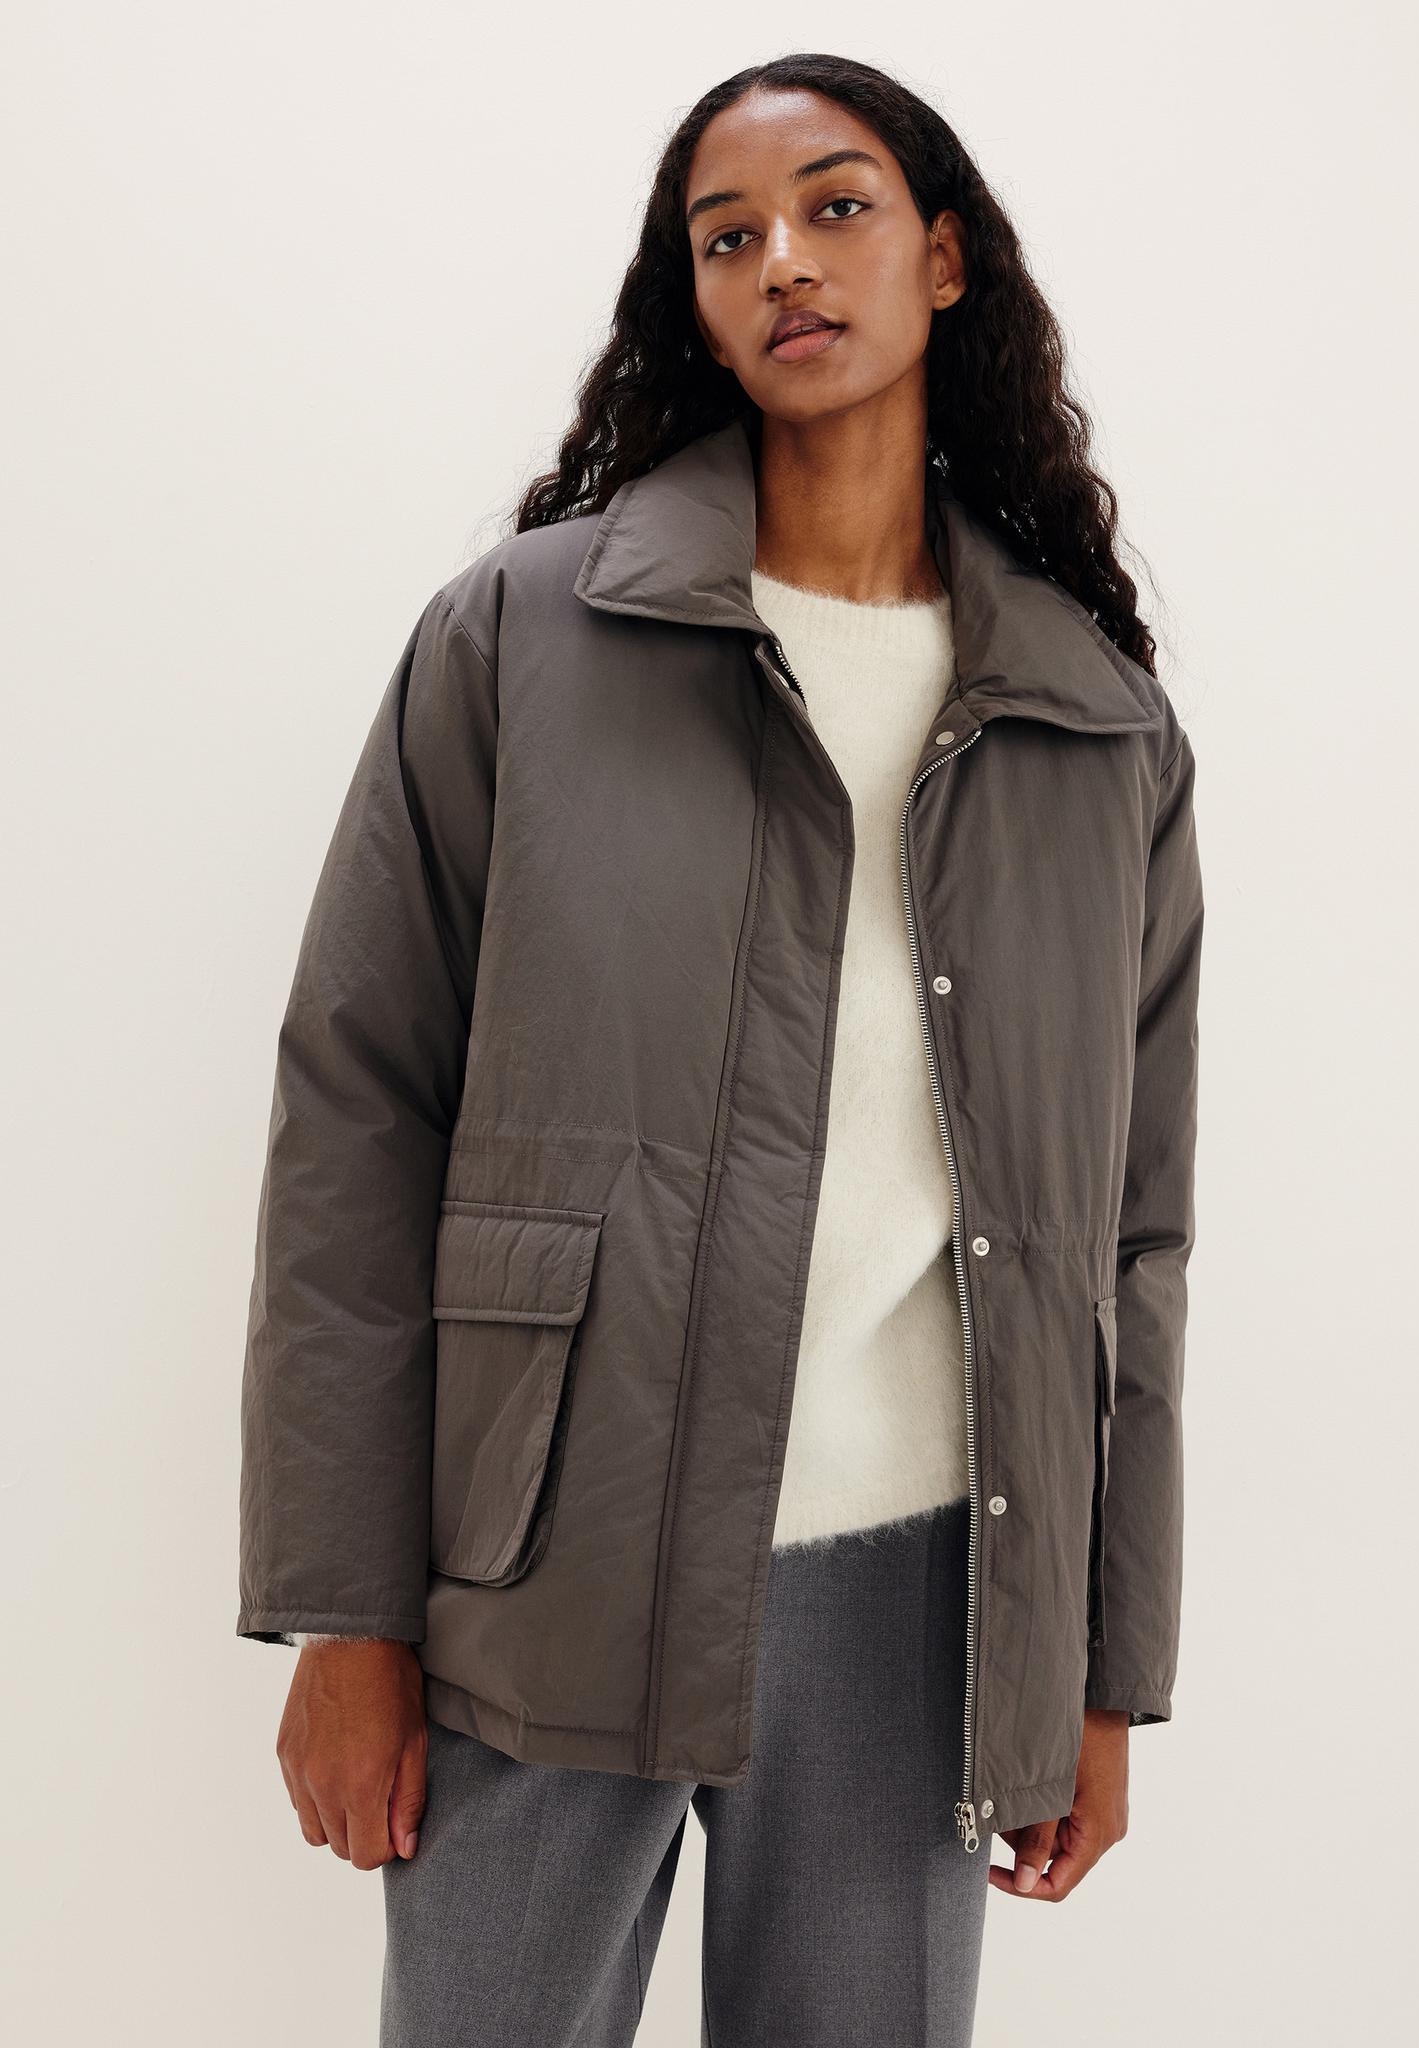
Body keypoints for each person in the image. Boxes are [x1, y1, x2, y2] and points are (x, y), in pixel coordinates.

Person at [237, 51, 1204, 2048]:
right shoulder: (524, 637)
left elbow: (1137, 1234)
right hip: (552, 1566)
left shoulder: (1097, 726)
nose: (783, 261)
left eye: (836, 208)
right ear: (690, 295)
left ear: (945, 258)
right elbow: (358, 1115)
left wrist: (1101, 1669)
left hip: (925, 1602)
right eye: (726, 233)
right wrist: (346, 1612)